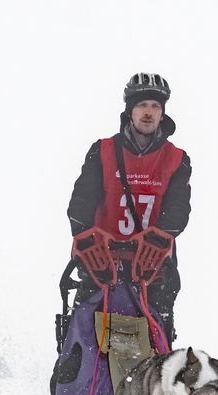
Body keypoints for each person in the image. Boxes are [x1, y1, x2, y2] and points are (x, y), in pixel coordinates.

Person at [66, 72, 192, 342]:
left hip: (153, 272)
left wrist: (158, 237)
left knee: (156, 343)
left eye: (155, 107)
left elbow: (179, 210)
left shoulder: (177, 160)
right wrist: (87, 235)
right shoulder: (102, 151)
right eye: (142, 105)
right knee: (83, 338)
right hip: (100, 268)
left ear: (162, 113)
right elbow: (80, 203)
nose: (148, 112)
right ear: (130, 111)